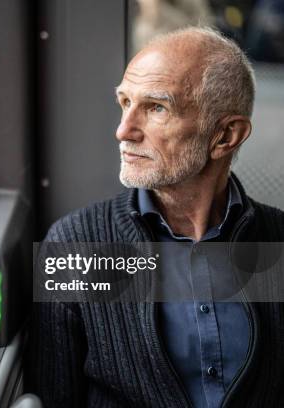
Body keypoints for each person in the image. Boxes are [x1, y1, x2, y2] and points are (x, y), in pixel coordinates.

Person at [25, 27, 284, 407]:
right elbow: (55, 396)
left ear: (226, 136)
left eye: (156, 108)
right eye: (125, 102)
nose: (123, 131)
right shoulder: (77, 244)